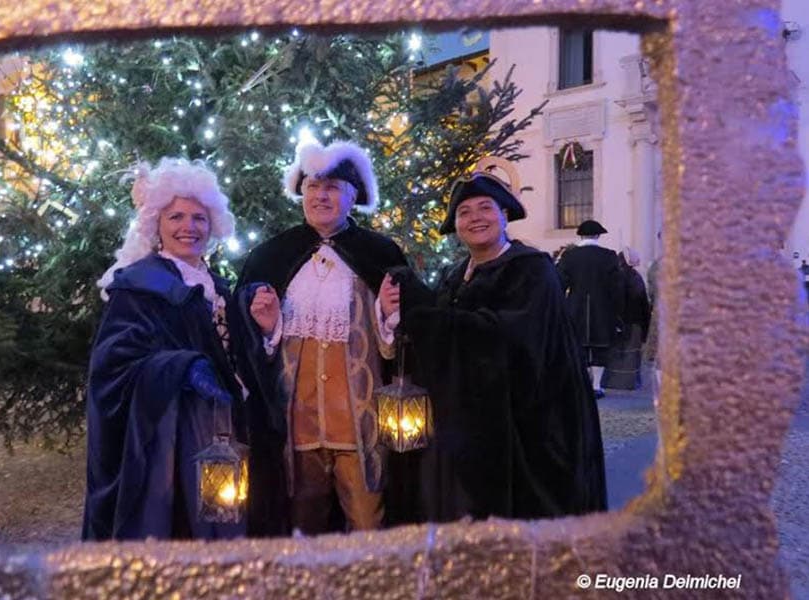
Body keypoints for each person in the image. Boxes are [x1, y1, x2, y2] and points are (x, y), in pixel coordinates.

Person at [378, 169, 606, 522]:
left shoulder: (531, 271)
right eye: (464, 213)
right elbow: (442, 341)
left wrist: (421, 312)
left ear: (504, 215)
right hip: (477, 427)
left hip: (529, 431)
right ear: (455, 225)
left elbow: (505, 339)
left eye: (486, 208)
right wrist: (399, 312)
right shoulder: (456, 275)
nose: (475, 218)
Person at [82, 158, 270, 541]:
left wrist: (258, 323)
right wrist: (181, 369)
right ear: (157, 226)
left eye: (199, 218)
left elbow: (235, 349)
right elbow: (110, 367)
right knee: (185, 524)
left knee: (228, 516)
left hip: (224, 423)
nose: (189, 227)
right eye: (176, 217)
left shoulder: (216, 284)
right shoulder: (138, 286)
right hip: (171, 434)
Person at [236, 140, 408, 536]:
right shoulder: (271, 255)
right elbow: (250, 345)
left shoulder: (378, 253)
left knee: (369, 528)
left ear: (352, 197)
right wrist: (266, 327)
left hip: (360, 428)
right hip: (297, 430)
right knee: (302, 532)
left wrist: (386, 312)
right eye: (313, 187)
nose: (321, 196)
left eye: (332, 188)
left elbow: (401, 343)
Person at [556, 219, 625, 399]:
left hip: (575, 306)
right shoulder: (609, 255)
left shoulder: (569, 256)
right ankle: (596, 386)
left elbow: (559, 283)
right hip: (602, 307)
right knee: (600, 348)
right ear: (598, 235)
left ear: (581, 235)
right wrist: (617, 311)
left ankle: (583, 384)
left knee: (579, 346)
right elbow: (616, 287)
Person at [600, 247, 651, 390]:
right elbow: (644, 304)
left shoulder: (616, 277)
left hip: (620, 321)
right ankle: (629, 382)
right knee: (631, 355)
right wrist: (646, 326)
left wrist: (615, 321)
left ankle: (613, 382)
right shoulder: (636, 277)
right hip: (635, 322)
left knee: (618, 355)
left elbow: (615, 301)